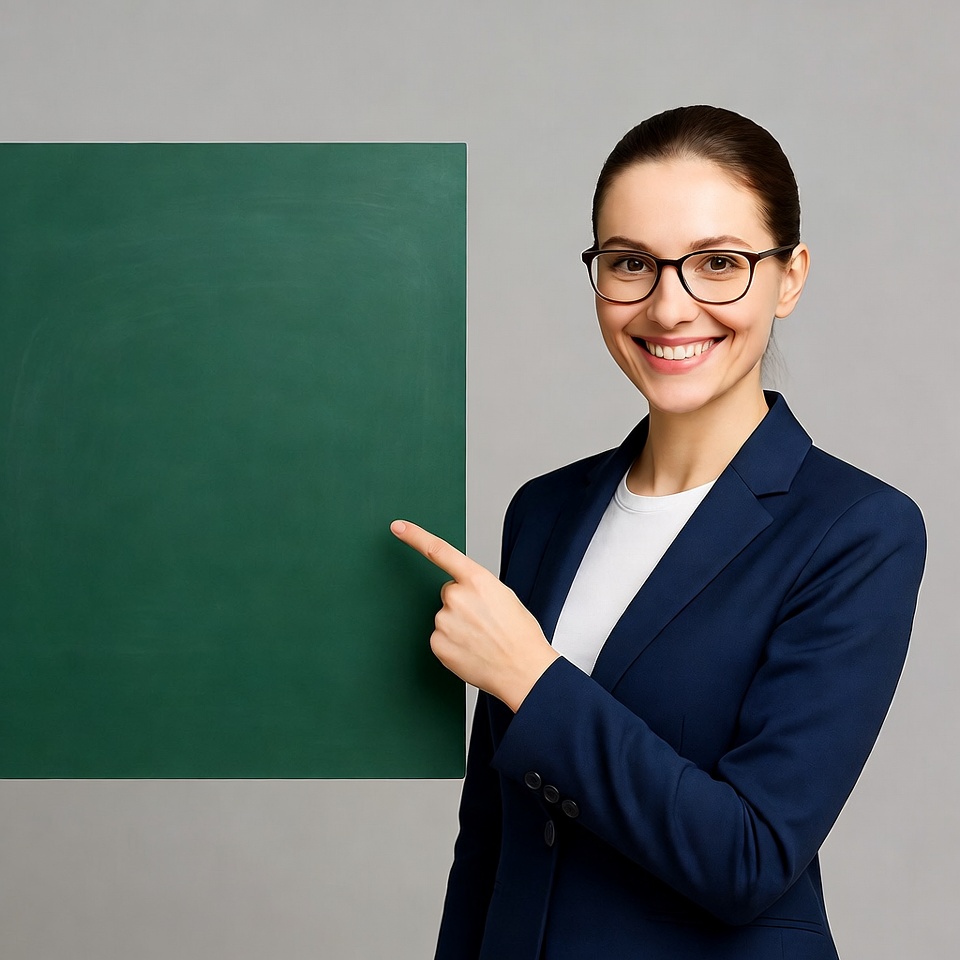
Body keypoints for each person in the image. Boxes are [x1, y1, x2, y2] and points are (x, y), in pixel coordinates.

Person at [390, 105, 926, 960]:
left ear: (790, 277)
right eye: (631, 263)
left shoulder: (858, 531)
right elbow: (490, 841)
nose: (670, 307)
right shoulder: (544, 510)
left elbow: (748, 857)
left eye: (719, 264)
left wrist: (533, 678)